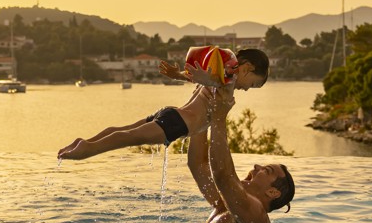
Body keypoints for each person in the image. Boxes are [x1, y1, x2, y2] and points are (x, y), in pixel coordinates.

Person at [56, 48, 269, 160]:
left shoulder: (222, 73)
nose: (248, 89)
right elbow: (212, 81)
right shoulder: (228, 79)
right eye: (253, 83)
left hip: (172, 114)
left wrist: (178, 75)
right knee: (128, 137)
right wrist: (202, 78)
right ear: (247, 68)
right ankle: (88, 149)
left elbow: (206, 79)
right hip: (177, 124)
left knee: (125, 130)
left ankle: (84, 142)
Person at [189, 86, 295, 223]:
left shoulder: (257, 216)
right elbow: (198, 164)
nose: (256, 166)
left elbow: (223, 176)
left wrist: (218, 116)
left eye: (266, 170)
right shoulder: (225, 203)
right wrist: (202, 107)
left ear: (272, 192)